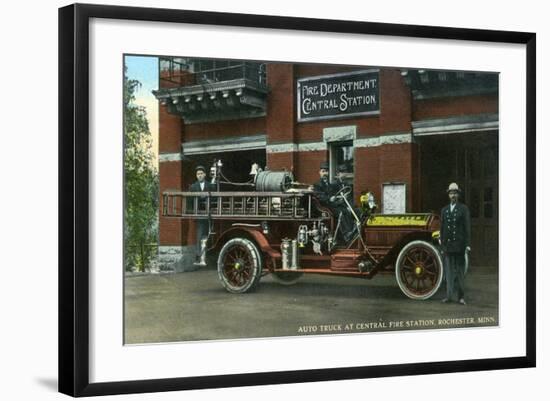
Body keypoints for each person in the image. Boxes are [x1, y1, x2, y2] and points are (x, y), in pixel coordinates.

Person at [440, 182, 471, 305]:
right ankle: (448, 296)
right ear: (448, 195)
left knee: (459, 272)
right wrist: (442, 244)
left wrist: (468, 244)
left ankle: (461, 297)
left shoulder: (463, 209)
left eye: (455, 193)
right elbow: (442, 229)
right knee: (448, 272)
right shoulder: (444, 210)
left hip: (459, 246)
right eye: (451, 193)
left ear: (458, 195)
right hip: (448, 246)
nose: (453, 195)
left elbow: (467, 228)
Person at [312, 162, 355, 243]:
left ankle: (350, 231)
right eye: (323, 171)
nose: (325, 173)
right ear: (320, 172)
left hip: (331, 205)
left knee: (345, 210)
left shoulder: (330, 185)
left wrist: (338, 198)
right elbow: (319, 196)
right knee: (340, 212)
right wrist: (329, 198)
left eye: (326, 171)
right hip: (324, 207)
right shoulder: (317, 185)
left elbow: (334, 194)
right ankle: (346, 234)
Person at [188, 165, 215, 265]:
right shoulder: (193, 187)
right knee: (199, 236)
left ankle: (207, 258)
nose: (199, 176)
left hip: (208, 215)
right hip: (199, 215)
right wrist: (192, 213)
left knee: (208, 235)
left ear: (205, 174)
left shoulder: (210, 186)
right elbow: (189, 202)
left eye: (201, 174)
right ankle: (198, 257)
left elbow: (214, 199)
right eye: (198, 174)